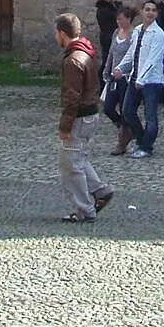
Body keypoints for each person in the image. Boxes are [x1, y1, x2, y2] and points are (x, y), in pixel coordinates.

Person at [53, 12, 114, 223]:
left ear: (62, 33)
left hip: (79, 117)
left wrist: (64, 126)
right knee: (79, 159)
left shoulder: (73, 60)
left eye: (56, 33)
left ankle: (84, 209)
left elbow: (72, 97)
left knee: (70, 166)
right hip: (90, 114)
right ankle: (101, 190)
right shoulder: (86, 51)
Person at [123, 0, 164, 159]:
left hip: (151, 81)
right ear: (142, 12)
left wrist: (142, 79)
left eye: (153, 10)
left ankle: (147, 147)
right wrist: (120, 68)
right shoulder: (137, 31)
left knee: (150, 115)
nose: (150, 13)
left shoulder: (158, 34)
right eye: (147, 10)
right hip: (135, 77)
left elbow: (152, 59)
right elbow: (132, 53)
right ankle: (141, 139)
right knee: (127, 111)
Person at [103, 5, 138, 155]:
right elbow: (111, 53)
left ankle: (122, 138)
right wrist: (106, 70)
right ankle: (126, 128)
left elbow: (133, 56)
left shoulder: (134, 34)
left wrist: (126, 71)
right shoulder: (116, 33)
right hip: (113, 76)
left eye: (121, 19)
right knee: (108, 108)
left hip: (126, 77)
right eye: (117, 19)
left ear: (128, 19)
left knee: (125, 108)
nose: (118, 22)